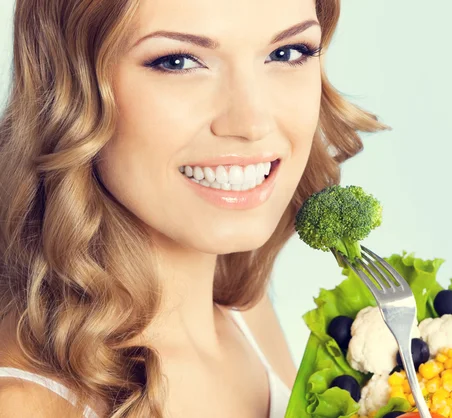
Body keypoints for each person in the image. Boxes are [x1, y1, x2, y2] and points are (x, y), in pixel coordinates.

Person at [0, 0, 386, 416]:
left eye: (287, 53)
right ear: (66, 89)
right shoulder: (26, 404)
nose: (252, 123)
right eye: (179, 61)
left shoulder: (242, 312)